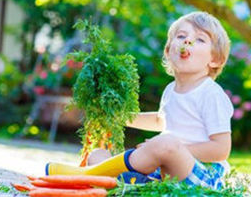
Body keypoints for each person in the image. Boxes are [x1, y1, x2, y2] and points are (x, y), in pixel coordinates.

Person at [46, 11, 233, 190]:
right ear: (168, 51)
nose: (187, 41)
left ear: (215, 60)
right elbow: (161, 120)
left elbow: (221, 149)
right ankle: (131, 182)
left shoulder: (211, 94)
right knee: (98, 154)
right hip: (164, 172)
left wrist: (171, 149)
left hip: (202, 175)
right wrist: (122, 117)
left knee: (166, 142)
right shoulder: (171, 89)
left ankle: (87, 176)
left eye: (200, 39)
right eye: (181, 36)